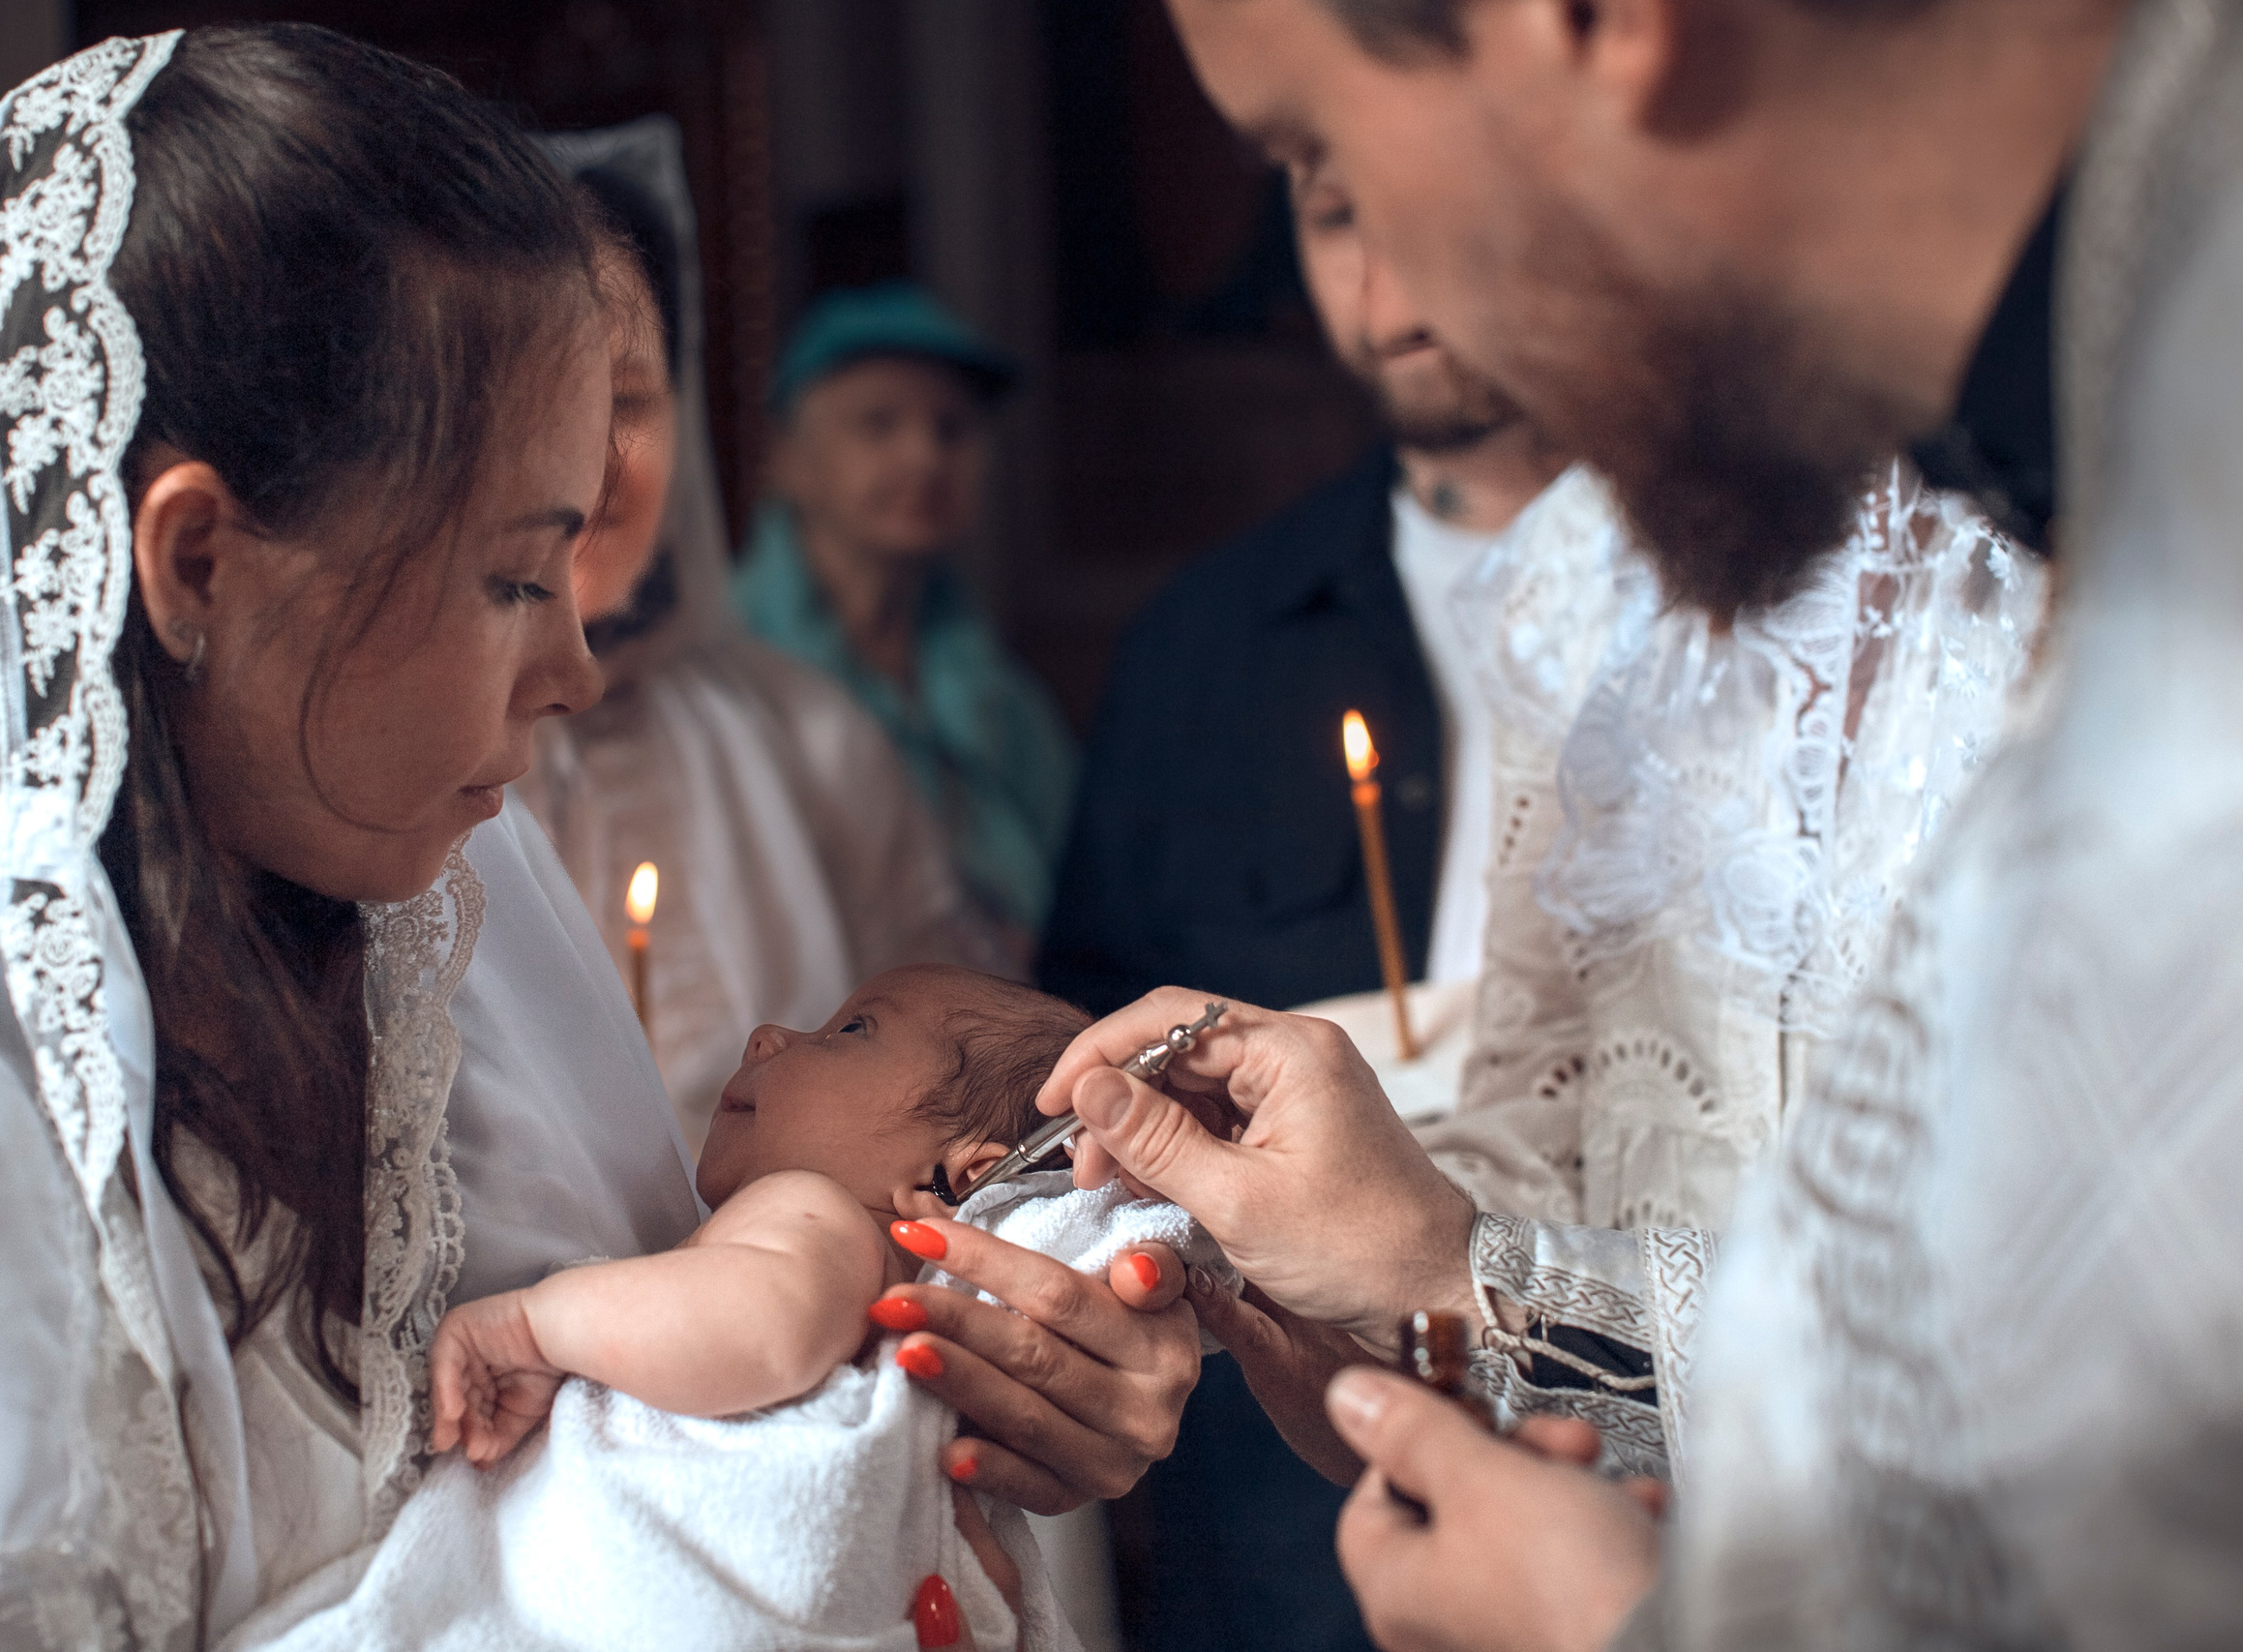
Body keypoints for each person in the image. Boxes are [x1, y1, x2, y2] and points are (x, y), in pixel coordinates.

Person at [0, 30, 1197, 1647]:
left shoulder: (448, 923)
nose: (577, 668)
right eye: (517, 577)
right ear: (199, 564)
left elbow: (722, 1441)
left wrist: (1010, 1363)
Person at [1043, 0, 2228, 1648]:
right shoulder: (1669, 574)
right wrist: (1448, 1283)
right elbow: (1957, 1378)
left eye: (1324, 154)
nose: (1394, 299)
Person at [1038, 159, 1570, 1650]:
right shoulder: (1203, 645)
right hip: (1290, 1506)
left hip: (1667, 1439)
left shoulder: (1741, 619)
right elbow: (1079, 1032)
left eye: (1433, 208)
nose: (1387, 289)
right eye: (1339, 218)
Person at [253, 966, 1218, 1652]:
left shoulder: (821, 1217)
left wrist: (536, 1324)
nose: (769, 1037)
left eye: (850, 1033)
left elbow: (766, 1324)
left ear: (955, 1172)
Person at [517, 122, 1001, 1151]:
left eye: (628, 405)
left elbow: (954, 1080)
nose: (592, 465)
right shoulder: (417, 778)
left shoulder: (808, 737)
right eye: (541, 409)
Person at [736, 284, 1077, 963]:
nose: (924, 457)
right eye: (877, 424)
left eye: (952, 428)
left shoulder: (996, 686)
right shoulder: (724, 668)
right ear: (786, 460)